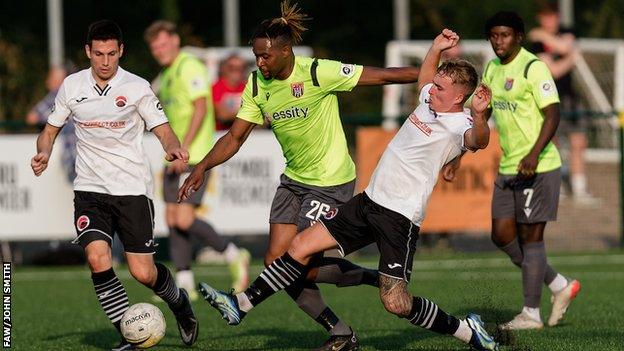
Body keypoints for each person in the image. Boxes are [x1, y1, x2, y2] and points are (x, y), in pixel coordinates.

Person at [196, 29, 500, 351]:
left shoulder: (460, 124)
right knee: (299, 246)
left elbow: (478, 141)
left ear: (458, 97)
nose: (429, 91)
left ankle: (467, 331)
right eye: (434, 85)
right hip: (368, 201)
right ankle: (242, 303)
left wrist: (480, 116)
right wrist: (436, 48)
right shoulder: (429, 100)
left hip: (399, 217)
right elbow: (425, 77)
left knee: (396, 303)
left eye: (440, 88)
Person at [178, 1, 424, 349]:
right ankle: (341, 331)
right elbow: (234, 137)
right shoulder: (257, 84)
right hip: (293, 180)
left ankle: (243, 305)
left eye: (265, 56)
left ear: (285, 51)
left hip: (330, 180)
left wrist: (433, 73)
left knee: (298, 263)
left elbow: (384, 75)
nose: (259, 62)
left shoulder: (315, 73)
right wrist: (201, 166)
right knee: (276, 263)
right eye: (256, 56)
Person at [30, 20, 198, 350]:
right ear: (88, 53)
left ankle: (180, 305)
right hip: (90, 189)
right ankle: (128, 335)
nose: (105, 62)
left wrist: (173, 148)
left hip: (132, 189)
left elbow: (163, 127)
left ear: (120, 51)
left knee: (143, 273)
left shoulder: (136, 87)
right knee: (97, 257)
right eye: (98, 54)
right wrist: (43, 153)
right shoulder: (72, 86)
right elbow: (49, 130)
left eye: (111, 54)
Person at [481, 11, 581, 330]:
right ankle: (559, 284)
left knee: (531, 238)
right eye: (494, 35)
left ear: (519, 37)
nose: (499, 41)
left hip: (538, 167)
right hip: (508, 166)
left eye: (505, 35)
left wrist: (534, 155)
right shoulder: (492, 68)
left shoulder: (532, 67)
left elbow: (553, 113)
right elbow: (482, 110)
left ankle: (530, 314)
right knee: (501, 235)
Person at [144, 20, 250, 299]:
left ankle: (233, 255)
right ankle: (185, 281)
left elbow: (201, 109)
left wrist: (184, 149)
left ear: (176, 42)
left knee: (183, 216)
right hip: (174, 157)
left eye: (164, 44)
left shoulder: (189, 65)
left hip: (194, 154)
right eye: (155, 47)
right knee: (172, 217)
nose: (160, 50)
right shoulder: (166, 74)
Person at [528, 4, 598, 205]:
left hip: (570, 97)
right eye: (544, 17)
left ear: (557, 17)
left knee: (579, 141)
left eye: (551, 16)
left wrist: (544, 37)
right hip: (548, 99)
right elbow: (554, 70)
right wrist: (571, 58)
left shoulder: (564, 32)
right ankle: (555, 186)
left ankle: (579, 187)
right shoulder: (536, 44)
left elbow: (566, 47)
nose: (548, 21)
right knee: (552, 144)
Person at [26, 65, 78, 183]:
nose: (47, 81)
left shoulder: (58, 94)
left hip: (73, 157)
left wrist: (53, 119)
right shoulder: (80, 92)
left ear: (60, 79)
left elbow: (32, 117)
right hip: (90, 159)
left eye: (51, 77)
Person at [213, 54, 247, 130]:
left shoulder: (248, 87)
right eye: (231, 67)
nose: (236, 71)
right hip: (221, 134)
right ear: (223, 69)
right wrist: (250, 114)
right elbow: (222, 115)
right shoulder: (216, 88)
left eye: (241, 68)